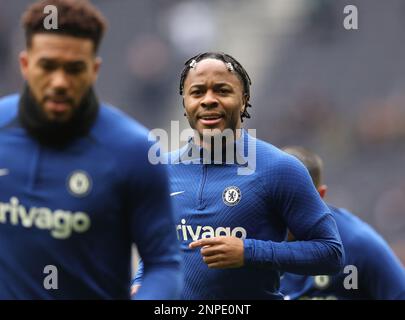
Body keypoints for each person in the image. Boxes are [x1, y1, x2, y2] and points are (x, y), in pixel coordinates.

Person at [0, 0, 181, 299]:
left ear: (94, 69)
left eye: (74, 69)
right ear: (25, 64)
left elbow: (163, 264)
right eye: (48, 66)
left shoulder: (135, 150)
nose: (60, 82)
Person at [133, 51, 344, 299]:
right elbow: (160, 251)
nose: (208, 100)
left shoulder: (279, 168)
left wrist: (248, 251)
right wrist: (141, 283)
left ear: (244, 100)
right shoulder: (162, 170)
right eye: (197, 92)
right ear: (185, 102)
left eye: (222, 90)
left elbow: (331, 254)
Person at [280, 146, 405, 300]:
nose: (282, 213)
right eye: (275, 199)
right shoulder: (250, 234)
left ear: (319, 196)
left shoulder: (357, 244)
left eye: (294, 202)